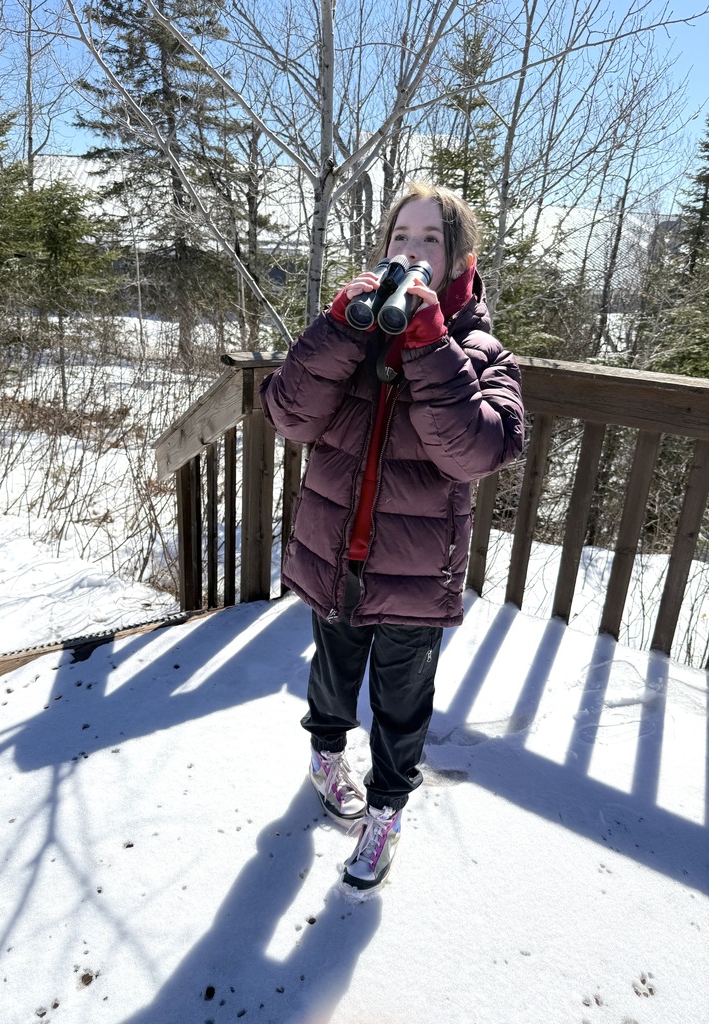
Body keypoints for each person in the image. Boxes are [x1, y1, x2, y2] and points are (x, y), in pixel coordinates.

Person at [260, 181, 524, 895]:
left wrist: (430, 342)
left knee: (403, 703)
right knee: (332, 674)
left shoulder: (478, 348)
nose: (411, 250)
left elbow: (476, 450)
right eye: (400, 236)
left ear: (459, 259)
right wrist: (338, 329)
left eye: (430, 239)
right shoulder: (350, 325)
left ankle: (386, 810)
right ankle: (325, 756)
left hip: (413, 573)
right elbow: (288, 414)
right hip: (333, 554)